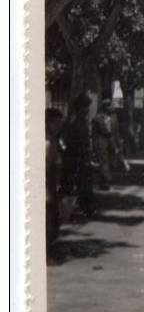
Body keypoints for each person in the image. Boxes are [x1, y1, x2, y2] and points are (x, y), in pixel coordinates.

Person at [64, 94, 97, 219]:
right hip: (76, 160)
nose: (87, 110)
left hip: (84, 159)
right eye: (85, 107)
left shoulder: (84, 122)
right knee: (77, 184)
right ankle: (77, 210)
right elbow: (72, 144)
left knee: (86, 184)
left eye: (87, 107)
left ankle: (86, 208)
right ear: (79, 109)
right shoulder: (74, 123)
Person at [45, 107, 66, 255]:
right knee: (49, 215)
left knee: (54, 215)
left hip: (52, 181)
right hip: (46, 182)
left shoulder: (54, 139)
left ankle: (51, 246)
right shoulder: (46, 142)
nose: (59, 126)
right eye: (56, 123)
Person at [91, 98, 120, 191]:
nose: (113, 107)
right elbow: (94, 134)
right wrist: (94, 146)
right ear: (106, 107)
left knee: (111, 163)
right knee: (104, 162)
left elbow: (116, 133)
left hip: (112, 143)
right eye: (111, 106)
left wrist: (118, 145)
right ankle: (106, 182)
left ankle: (103, 181)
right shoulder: (96, 119)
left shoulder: (114, 118)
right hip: (101, 143)